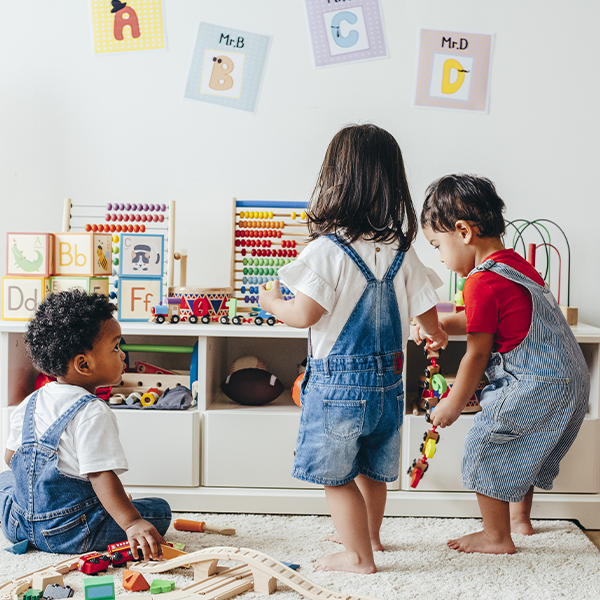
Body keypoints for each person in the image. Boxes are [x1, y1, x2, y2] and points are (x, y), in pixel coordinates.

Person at [258, 124, 447, 574]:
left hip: (339, 386)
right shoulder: (402, 249)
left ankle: (357, 556)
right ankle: (372, 538)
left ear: (335, 181)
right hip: (389, 384)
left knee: (337, 476)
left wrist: (271, 303)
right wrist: (431, 333)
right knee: (372, 468)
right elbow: (428, 315)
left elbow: (304, 314)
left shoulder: (328, 250)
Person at [414, 173, 589, 554]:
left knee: (487, 444)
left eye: (437, 246)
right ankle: (519, 520)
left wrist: (453, 403)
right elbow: (486, 320)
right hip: (570, 378)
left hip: (537, 381)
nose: (441, 259)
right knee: (520, 446)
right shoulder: (515, 266)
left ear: (462, 232)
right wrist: (443, 323)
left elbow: (477, 351)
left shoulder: (479, 282)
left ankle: (496, 537)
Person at [0, 289, 171, 558]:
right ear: (83, 364)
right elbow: (101, 475)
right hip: (69, 532)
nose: (123, 355)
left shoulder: (30, 402)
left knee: (5, 481)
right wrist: (132, 522)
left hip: (18, 524)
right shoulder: (92, 412)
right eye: (116, 347)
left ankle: (26, 522)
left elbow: (11, 458)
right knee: (159, 510)